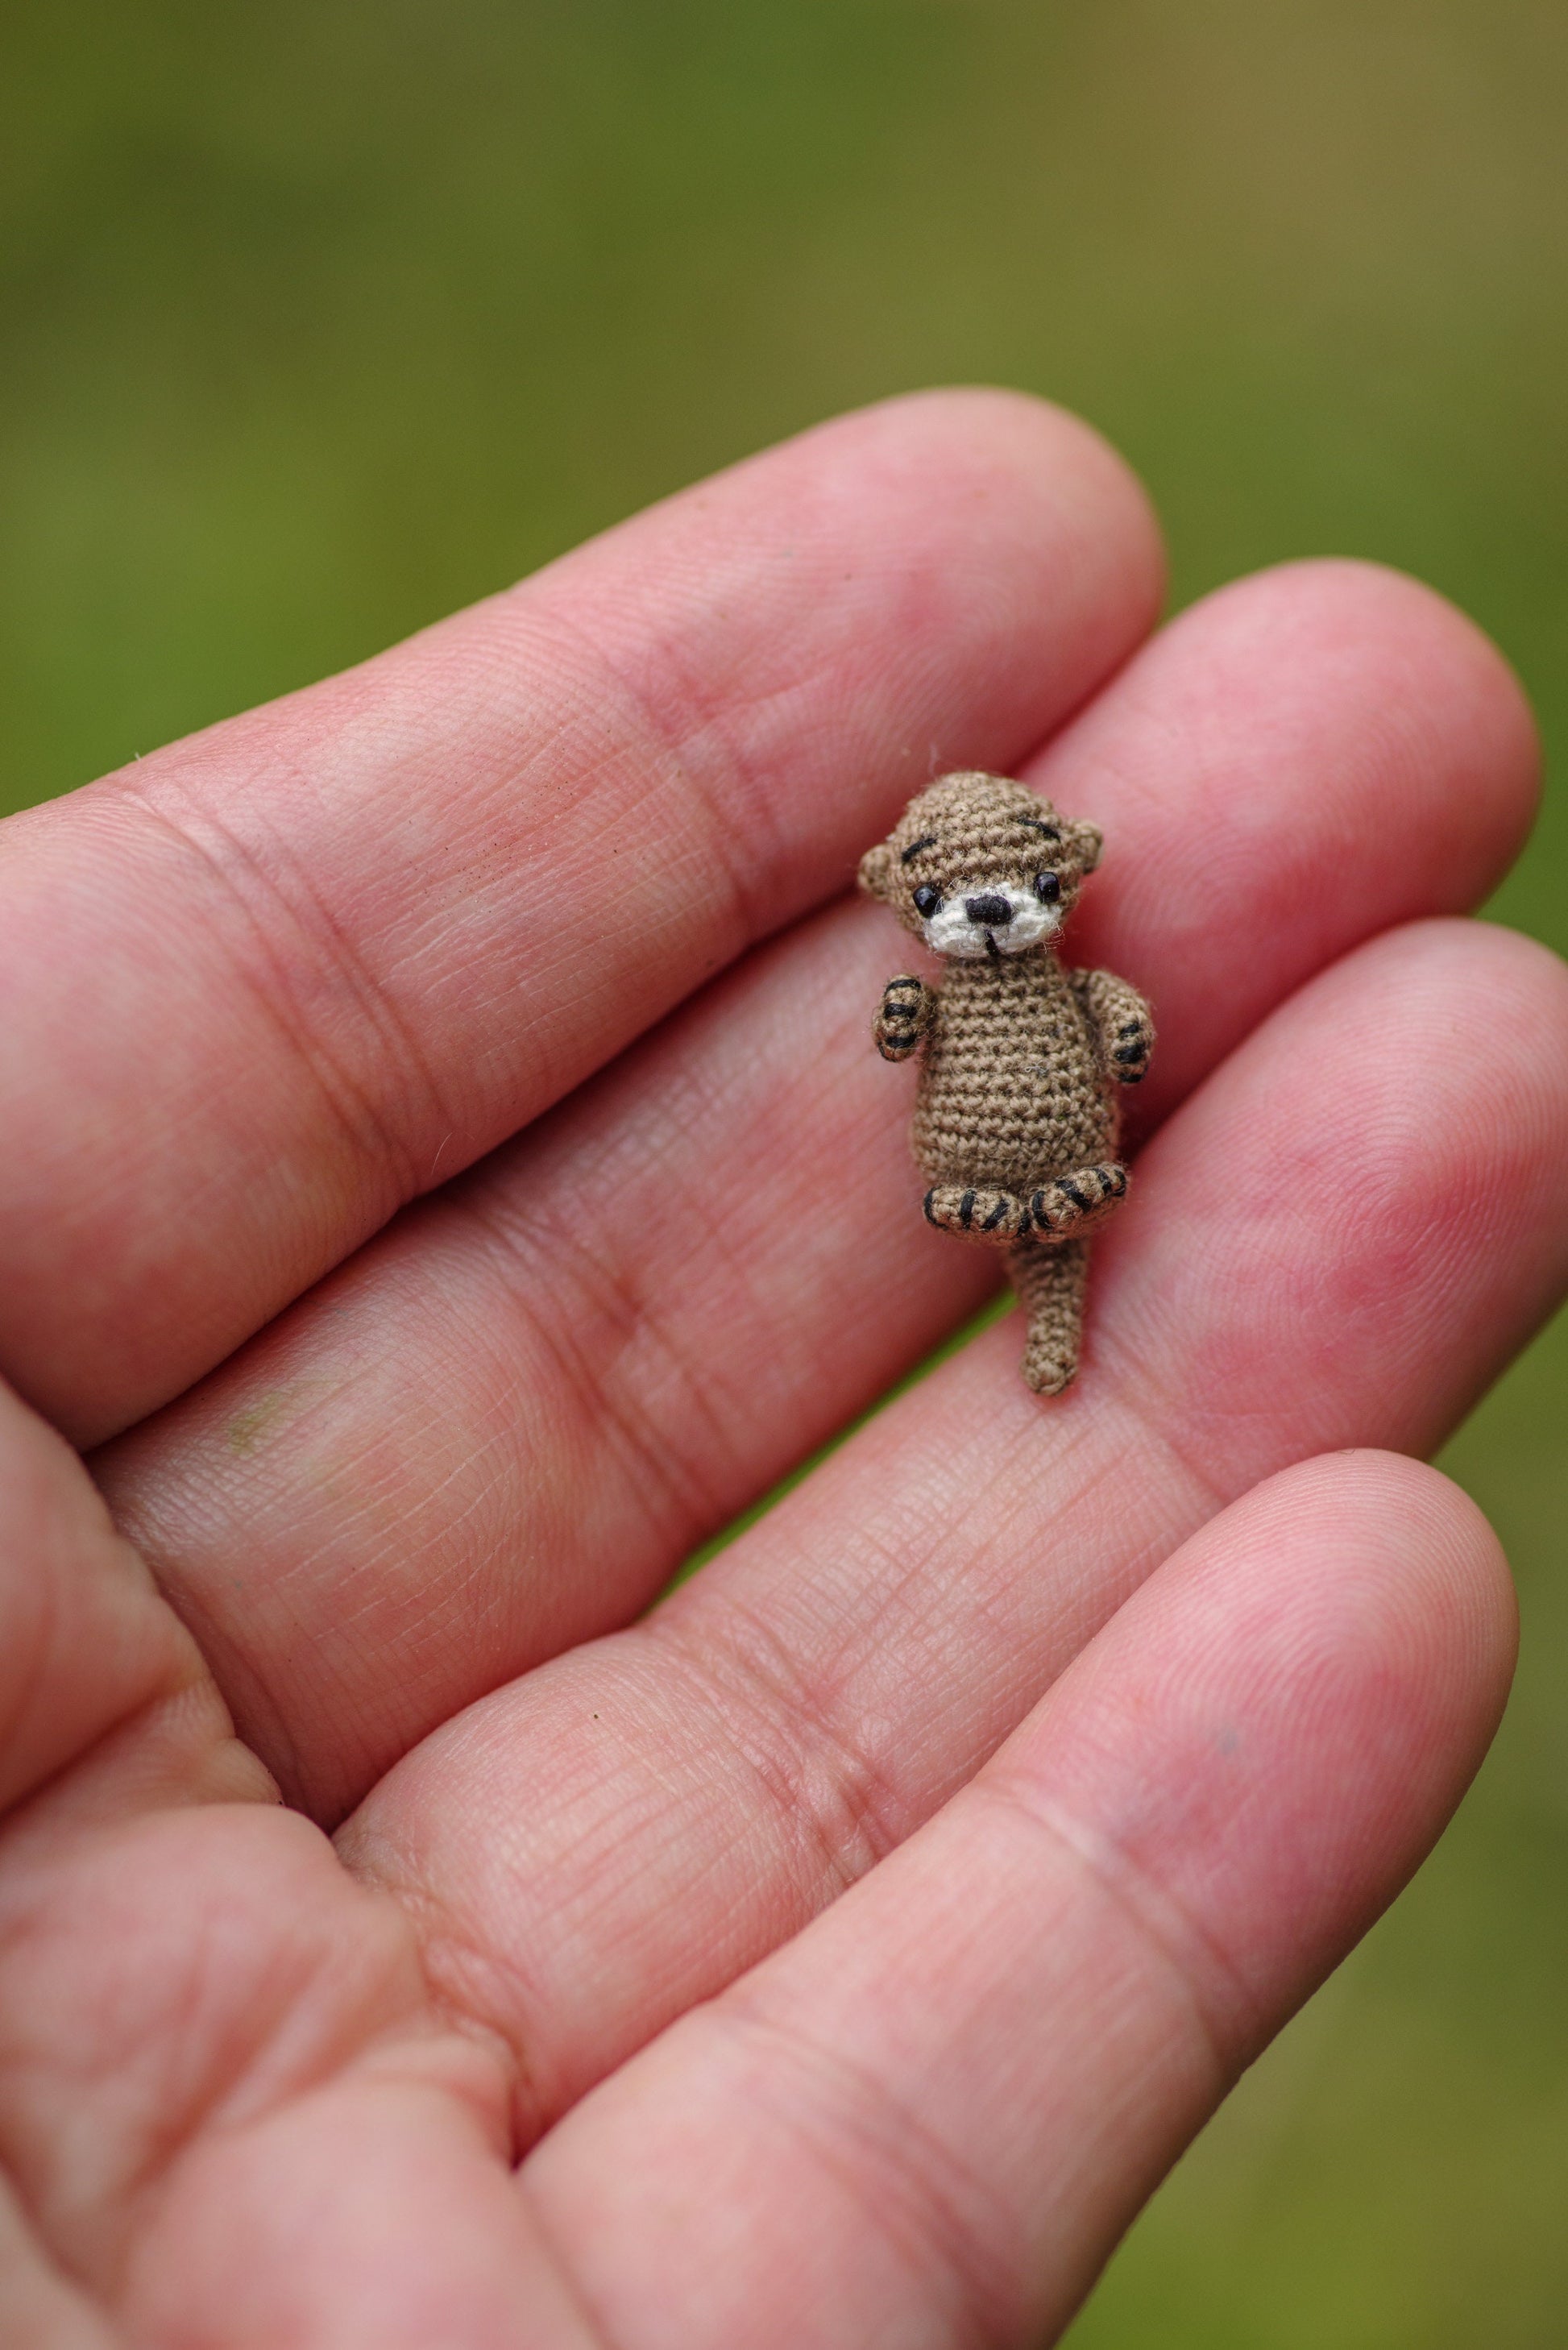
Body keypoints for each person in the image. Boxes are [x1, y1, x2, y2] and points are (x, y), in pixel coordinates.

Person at [0, 388, 1562, 2348]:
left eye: (1012, 886)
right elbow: (936, 1035)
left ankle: (1056, 1287)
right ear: (913, 898)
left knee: (1071, 1243)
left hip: (1055, 1144)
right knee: (1028, 1237)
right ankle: (1044, 1280)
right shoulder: (940, 983)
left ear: (1052, 877)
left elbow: (1110, 1021)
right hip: (987, 1165)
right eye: (954, 892)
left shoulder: (1059, 983)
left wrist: (1111, 1043)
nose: (989, 912)